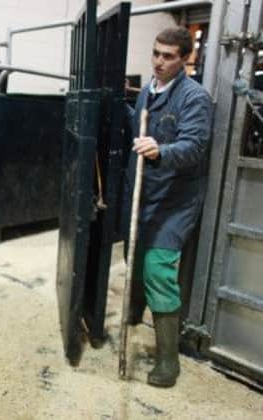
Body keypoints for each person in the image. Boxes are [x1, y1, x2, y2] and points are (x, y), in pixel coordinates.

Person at [122, 27, 211, 388]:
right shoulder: (147, 90)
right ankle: (135, 311)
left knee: (158, 269)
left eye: (169, 56)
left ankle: (168, 362)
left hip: (175, 199)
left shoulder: (194, 98)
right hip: (144, 194)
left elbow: (194, 146)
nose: (159, 61)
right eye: (156, 53)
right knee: (135, 257)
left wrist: (162, 150)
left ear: (185, 58)